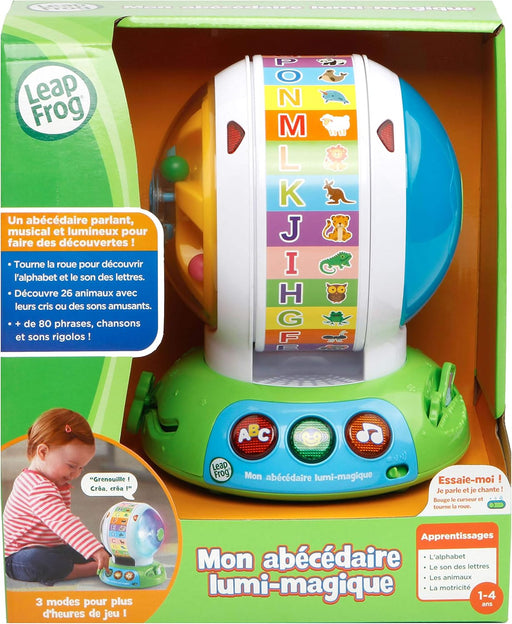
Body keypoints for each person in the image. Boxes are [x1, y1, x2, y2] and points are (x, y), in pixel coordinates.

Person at [3, 408, 110, 586]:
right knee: (39, 560)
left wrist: (95, 549)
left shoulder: (53, 481)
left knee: (93, 549)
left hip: (53, 547)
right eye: (71, 466)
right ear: (43, 452)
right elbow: (63, 522)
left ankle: (97, 560)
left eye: (81, 467)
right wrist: (94, 549)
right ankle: (86, 569)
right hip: (19, 557)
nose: (76, 473)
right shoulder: (37, 486)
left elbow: (63, 533)